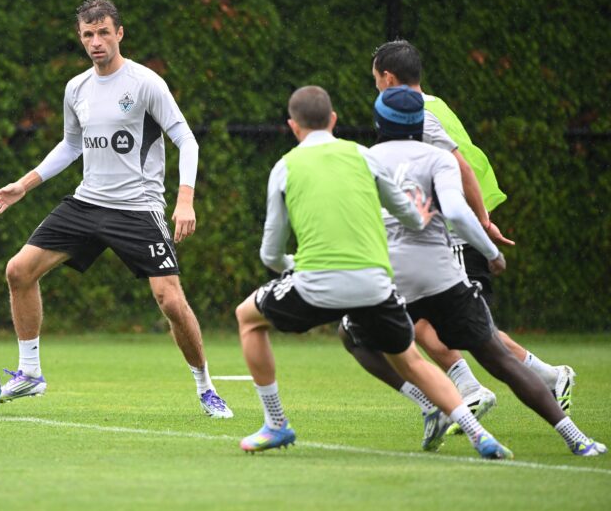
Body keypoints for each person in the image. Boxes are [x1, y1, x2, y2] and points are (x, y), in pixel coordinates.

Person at [0, 0, 232, 418]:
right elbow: (71, 145)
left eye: (103, 32)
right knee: (18, 271)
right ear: (80, 39)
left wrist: (185, 197)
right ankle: (30, 373)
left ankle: (206, 387)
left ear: (119, 34)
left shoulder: (145, 83)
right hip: (87, 203)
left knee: (170, 301)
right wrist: (24, 185)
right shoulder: (76, 88)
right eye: (87, 34)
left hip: (139, 209)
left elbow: (186, 139)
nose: (96, 41)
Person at [236, 85, 511, 459]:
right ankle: (479, 435)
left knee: (247, 318)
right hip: (376, 284)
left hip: (317, 283)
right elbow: (411, 215)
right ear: (333, 120)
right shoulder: (364, 156)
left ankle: (276, 423)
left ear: (292, 126)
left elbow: (270, 252)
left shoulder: (285, 166)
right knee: (410, 359)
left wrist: (292, 267)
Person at [340, 86, 604, 456]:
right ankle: (578, 439)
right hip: (442, 275)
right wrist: (491, 251)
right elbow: (460, 214)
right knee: (497, 357)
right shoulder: (438, 158)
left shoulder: (363, 159)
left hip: (392, 280)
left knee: (352, 335)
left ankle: (429, 404)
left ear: (378, 122)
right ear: (421, 122)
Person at [372, 40, 575, 430]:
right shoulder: (434, 104)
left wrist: (481, 221)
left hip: (453, 234)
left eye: (376, 79)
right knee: (447, 323)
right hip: (445, 233)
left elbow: (460, 166)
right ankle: (547, 376)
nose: (377, 88)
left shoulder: (421, 114)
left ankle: (472, 387)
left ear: (389, 77)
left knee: (446, 324)